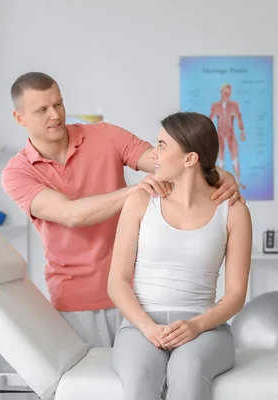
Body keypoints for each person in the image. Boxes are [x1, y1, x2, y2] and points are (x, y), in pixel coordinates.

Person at [0, 72, 244, 348]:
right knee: (95, 388)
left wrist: (220, 174)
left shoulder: (105, 135)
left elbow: (168, 160)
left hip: (140, 297)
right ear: (20, 118)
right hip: (78, 301)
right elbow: (71, 214)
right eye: (42, 109)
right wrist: (134, 191)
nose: (55, 115)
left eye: (58, 104)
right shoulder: (16, 174)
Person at [107, 111, 252, 399]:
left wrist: (196, 325)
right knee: (140, 375)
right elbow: (117, 282)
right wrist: (148, 328)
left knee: (188, 370)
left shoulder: (233, 211)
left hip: (206, 327)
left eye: (162, 146)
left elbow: (236, 294)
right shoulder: (140, 201)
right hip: (140, 325)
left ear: (190, 159)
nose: (154, 153)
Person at [209, 83, 246, 188]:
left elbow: (239, 118)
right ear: (221, 93)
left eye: (228, 93)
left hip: (230, 133)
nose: (227, 95)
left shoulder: (234, 105)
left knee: (235, 157)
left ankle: (237, 181)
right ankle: (220, 183)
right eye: (225, 93)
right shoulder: (216, 106)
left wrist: (242, 131)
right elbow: (210, 120)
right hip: (220, 133)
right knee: (220, 159)